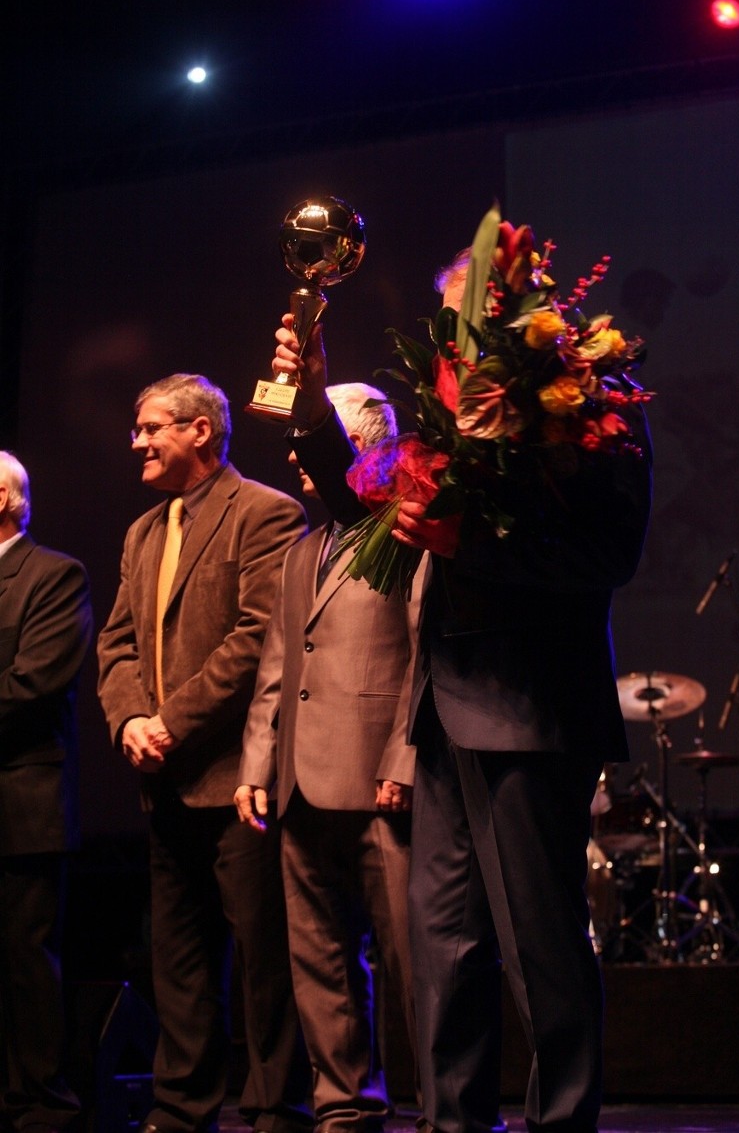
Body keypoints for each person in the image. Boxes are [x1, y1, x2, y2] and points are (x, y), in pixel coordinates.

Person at [269, 247, 653, 1133]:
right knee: (444, 952)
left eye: (481, 309)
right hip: (443, 708)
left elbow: (609, 557)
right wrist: (312, 395)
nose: (464, 330)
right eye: (457, 315)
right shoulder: (455, 414)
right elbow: (372, 504)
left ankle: (561, 1124)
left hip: (531, 710)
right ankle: (453, 1126)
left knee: (541, 954)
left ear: (530, 310)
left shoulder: (596, 405)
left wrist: (464, 544)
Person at [97, 373, 311, 1133]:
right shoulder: (144, 531)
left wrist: (170, 723)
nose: (139, 442)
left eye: (152, 427)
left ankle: (276, 1106)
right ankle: (182, 1107)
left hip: (235, 778)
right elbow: (116, 642)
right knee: (178, 960)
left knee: (264, 957)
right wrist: (130, 721)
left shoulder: (264, 513)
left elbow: (257, 639)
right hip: (165, 779)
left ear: (200, 431)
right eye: (138, 427)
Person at [234, 382, 423, 1133]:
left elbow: (422, 653)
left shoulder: (405, 533)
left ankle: (446, 1104)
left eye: (318, 437)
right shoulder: (301, 548)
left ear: (366, 445)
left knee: (417, 961)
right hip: (300, 783)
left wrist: (404, 760)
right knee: (319, 957)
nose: (295, 453)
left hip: (381, 780)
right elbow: (278, 666)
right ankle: (344, 1104)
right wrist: (256, 762)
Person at [0, 450, 93, 1133]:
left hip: (19, 802)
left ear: (5, 497)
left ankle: (40, 1103)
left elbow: (32, 685)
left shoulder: (54, 576)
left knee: (25, 958)